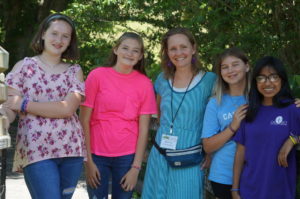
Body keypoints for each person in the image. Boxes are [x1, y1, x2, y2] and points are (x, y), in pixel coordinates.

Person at [0, 13, 86, 199]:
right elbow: (9, 107)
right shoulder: (24, 66)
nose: (59, 40)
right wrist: (3, 120)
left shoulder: (75, 71)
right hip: (36, 150)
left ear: (70, 41)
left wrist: (23, 103)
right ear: (43, 34)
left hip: (71, 151)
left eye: (65, 36)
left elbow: (67, 109)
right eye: (54, 33)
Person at [80, 32, 157, 199]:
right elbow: (84, 120)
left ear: (141, 56)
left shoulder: (144, 83)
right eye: (125, 48)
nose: (130, 53)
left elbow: (144, 129)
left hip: (127, 156)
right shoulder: (97, 76)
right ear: (115, 50)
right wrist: (88, 162)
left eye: (135, 50)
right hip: (96, 154)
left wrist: (135, 168)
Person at [141, 28, 216, 199]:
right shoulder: (162, 79)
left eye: (183, 47)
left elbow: (216, 120)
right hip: (159, 157)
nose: (179, 53)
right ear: (167, 52)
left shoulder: (210, 81)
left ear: (193, 48)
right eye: (173, 49)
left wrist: (210, 152)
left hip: (189, 159)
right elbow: (160, 115)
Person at [232, 56, 300, 199]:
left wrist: (293, 140)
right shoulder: (248, 112)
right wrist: (235, 189)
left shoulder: (293, 108)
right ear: (255, 82)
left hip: (281, 191)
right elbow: (240, 152)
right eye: (261, 78)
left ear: (282, 79)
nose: (267, 83)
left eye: (273, 77)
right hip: (249, 190)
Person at [201, 47, 249, 199]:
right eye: (225, 67)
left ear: (247, 66)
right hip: (223, 176)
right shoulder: (215, 103)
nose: (230, 70)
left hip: (256, 173)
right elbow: (208, 146)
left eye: (235, 64)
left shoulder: (259, 98)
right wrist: (233, 127)